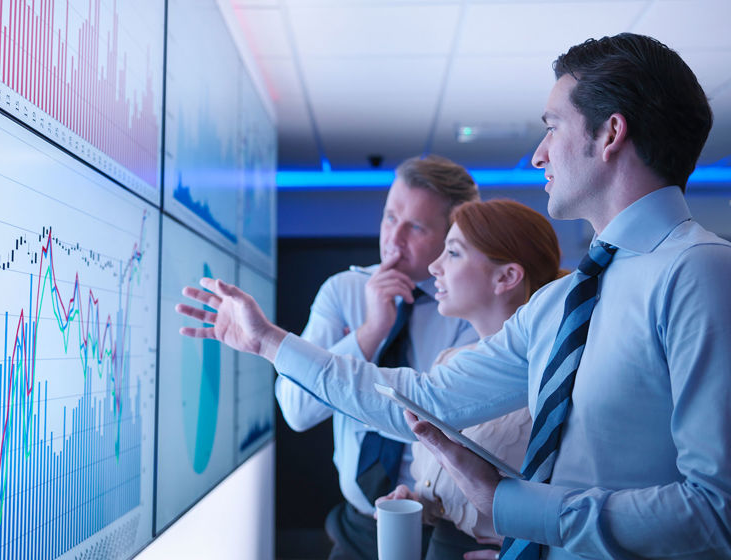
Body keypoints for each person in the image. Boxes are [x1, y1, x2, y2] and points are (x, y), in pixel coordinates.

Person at [177, 33, 731, 559]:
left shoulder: (700, 271)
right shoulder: (563, 301)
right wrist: (270, 342)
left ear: (610, 134)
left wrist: (519, 512)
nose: (538, 155)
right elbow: (424, 399)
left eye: (553, 126)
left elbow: (716, 513)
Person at [275, 155, 479, 559]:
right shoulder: (343, 291)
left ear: (453, 233)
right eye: (389, 217)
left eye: (416, 227)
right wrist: (369, 333)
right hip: (358, 526)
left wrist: (355, 392)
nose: (393, 238)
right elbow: (297, 411)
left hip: (446, 531)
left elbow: (455, 424)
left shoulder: (472, 305)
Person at [376, 199, 567, 560]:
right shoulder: (450, 361)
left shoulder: (552, 381)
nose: (434, 266)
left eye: (453, 253)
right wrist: (420, 500)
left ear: (506, 277)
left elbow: (571, 506)